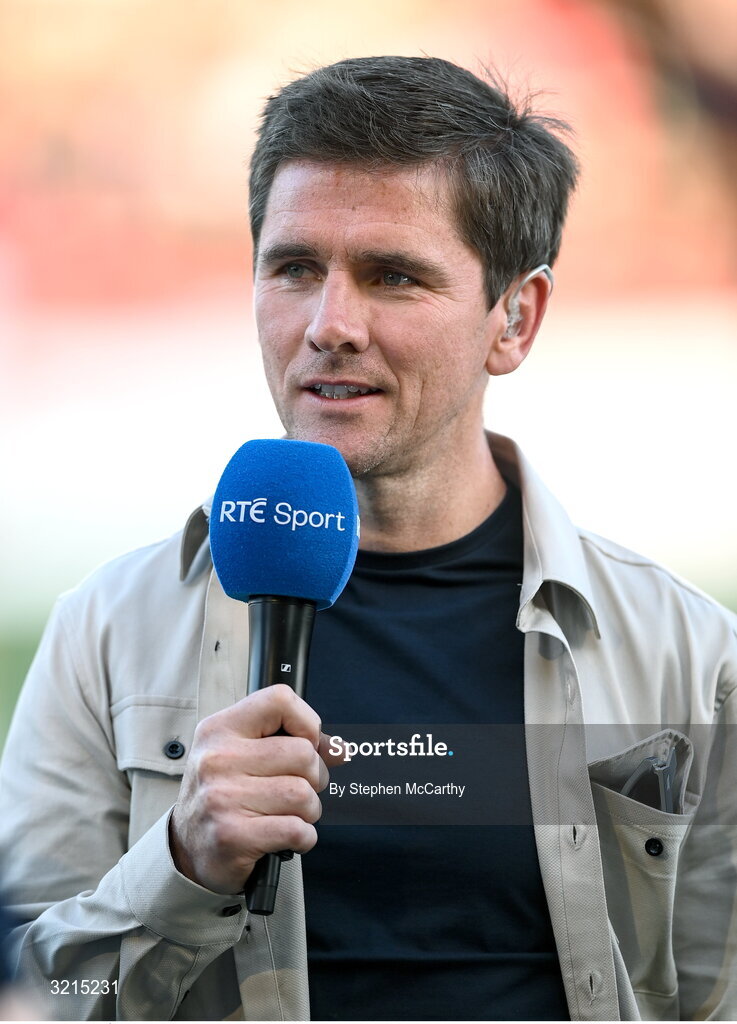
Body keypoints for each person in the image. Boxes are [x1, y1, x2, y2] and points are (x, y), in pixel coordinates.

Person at [0, 55, 735, 1022]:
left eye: (393, 276)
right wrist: (180, 866)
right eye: (294, 268)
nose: (328, 324)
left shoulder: (682, 653)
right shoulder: (109, 633)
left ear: (513, 318)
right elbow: (45, 995)